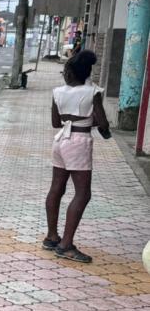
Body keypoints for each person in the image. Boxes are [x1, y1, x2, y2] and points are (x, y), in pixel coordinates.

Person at [43, 51, 110, 263]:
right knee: (83, 193)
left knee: (57, 188)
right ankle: (66, 245)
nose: (64, 73)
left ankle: (52, 237)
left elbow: (56, 122)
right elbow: (103, 123)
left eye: (65, 70)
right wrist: (92, 123)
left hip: (60, 140)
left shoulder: (57, 92)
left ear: (70, 74)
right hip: (79, 142)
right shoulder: (93, 92)